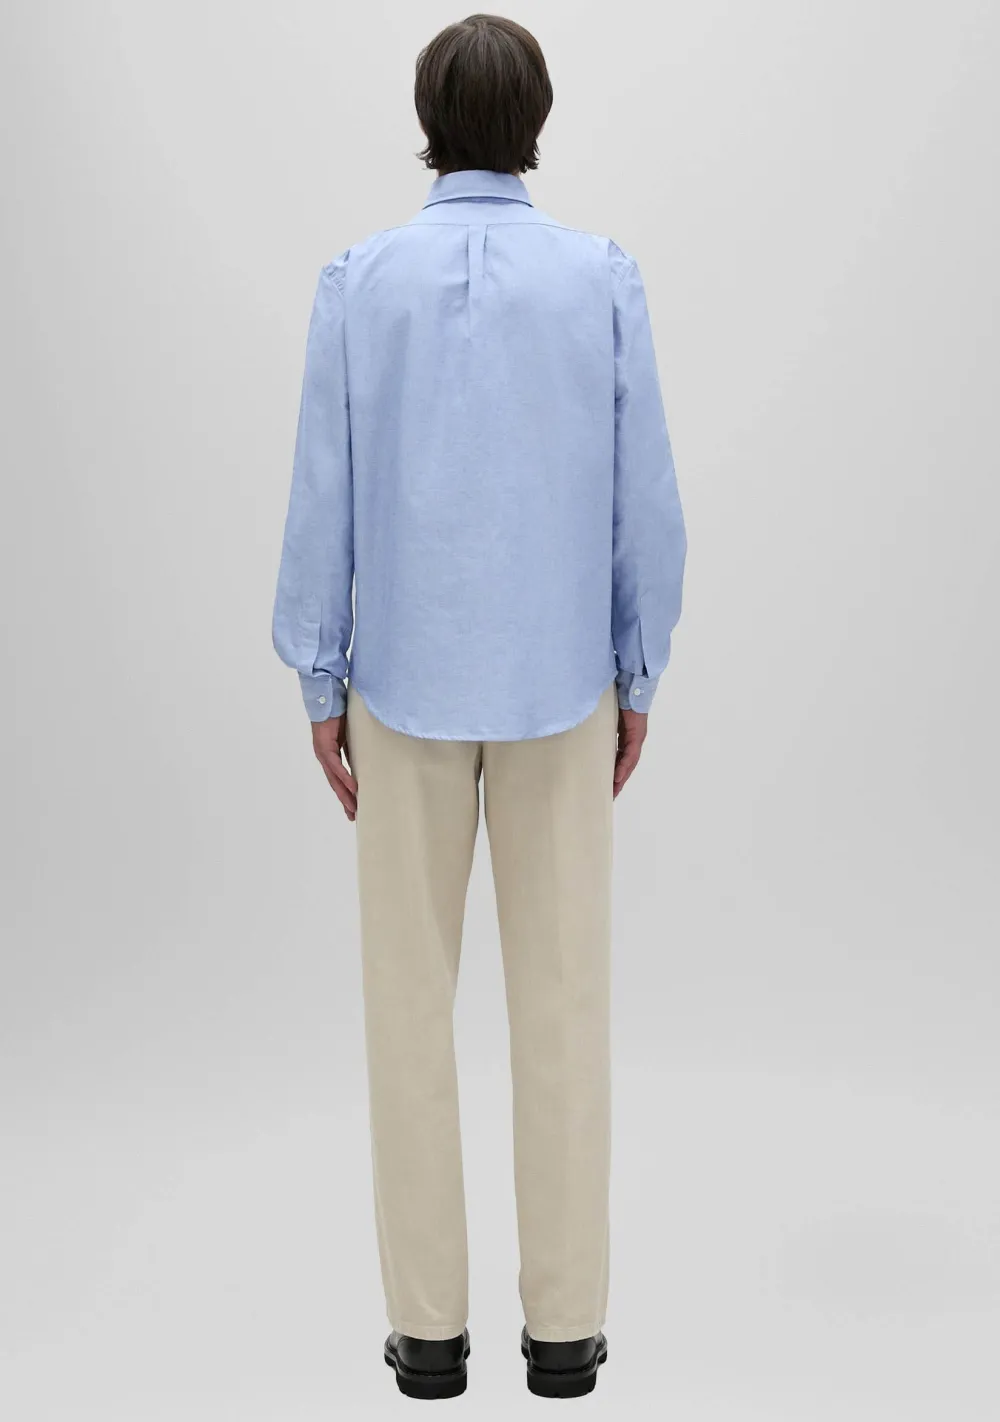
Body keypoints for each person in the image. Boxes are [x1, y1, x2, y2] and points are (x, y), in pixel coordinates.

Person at [271, 12, 686, 1401]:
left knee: (407, 1013)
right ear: (535, 123)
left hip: (399, 693)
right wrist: (638, 670)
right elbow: (644, 498)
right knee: (564, 1007)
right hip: (564, 691)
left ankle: (429, 1336)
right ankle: (564, 1334)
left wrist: (320, 677)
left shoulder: (358, 281)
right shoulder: (600, 278)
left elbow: (322, 494)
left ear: (428, 121)